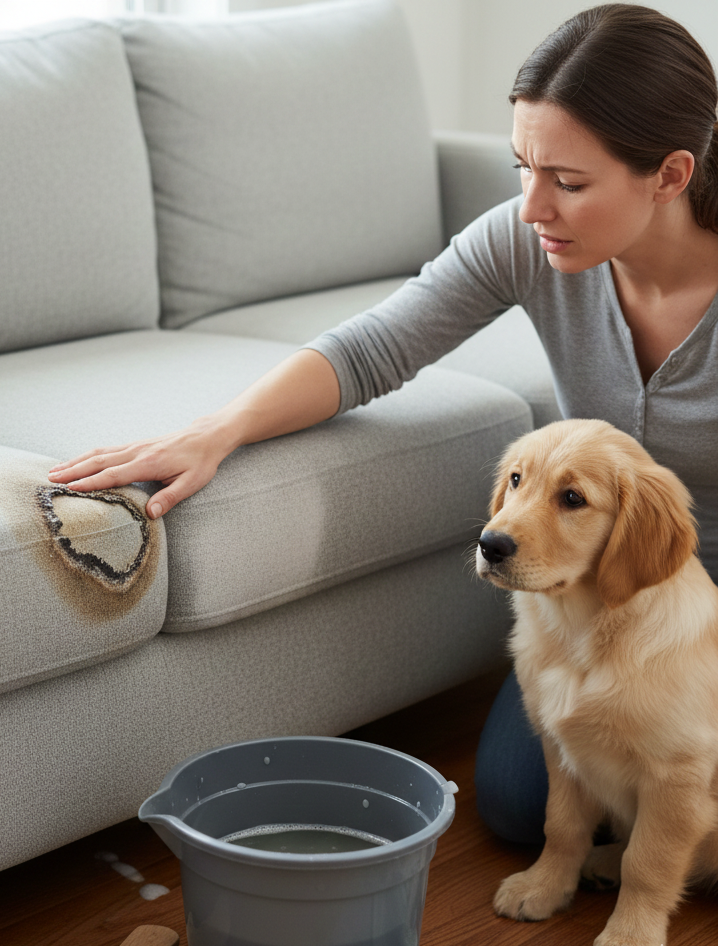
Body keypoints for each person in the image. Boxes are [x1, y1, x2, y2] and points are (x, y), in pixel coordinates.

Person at [48, 4, 718, 844]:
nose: (533, 205)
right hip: (602, 594)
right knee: (516, 805)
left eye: (569, 183)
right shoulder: (530, 243)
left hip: (700, 595)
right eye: (523, 167)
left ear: (669, 173)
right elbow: (375, 347)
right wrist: (217, 430)